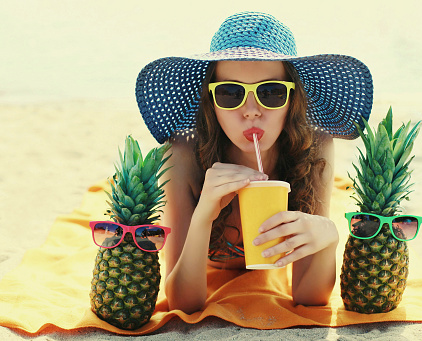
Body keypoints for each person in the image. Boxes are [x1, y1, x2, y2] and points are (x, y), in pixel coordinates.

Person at [135, 11, 373, 314]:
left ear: (293, 98)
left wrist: (328, 238)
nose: (251, 111)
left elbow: (309, 298)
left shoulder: (314, 148)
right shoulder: (183, 155)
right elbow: (184, 303)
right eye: (230, 93)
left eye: (271, 92)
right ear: (210, 101)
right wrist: (203, 216)